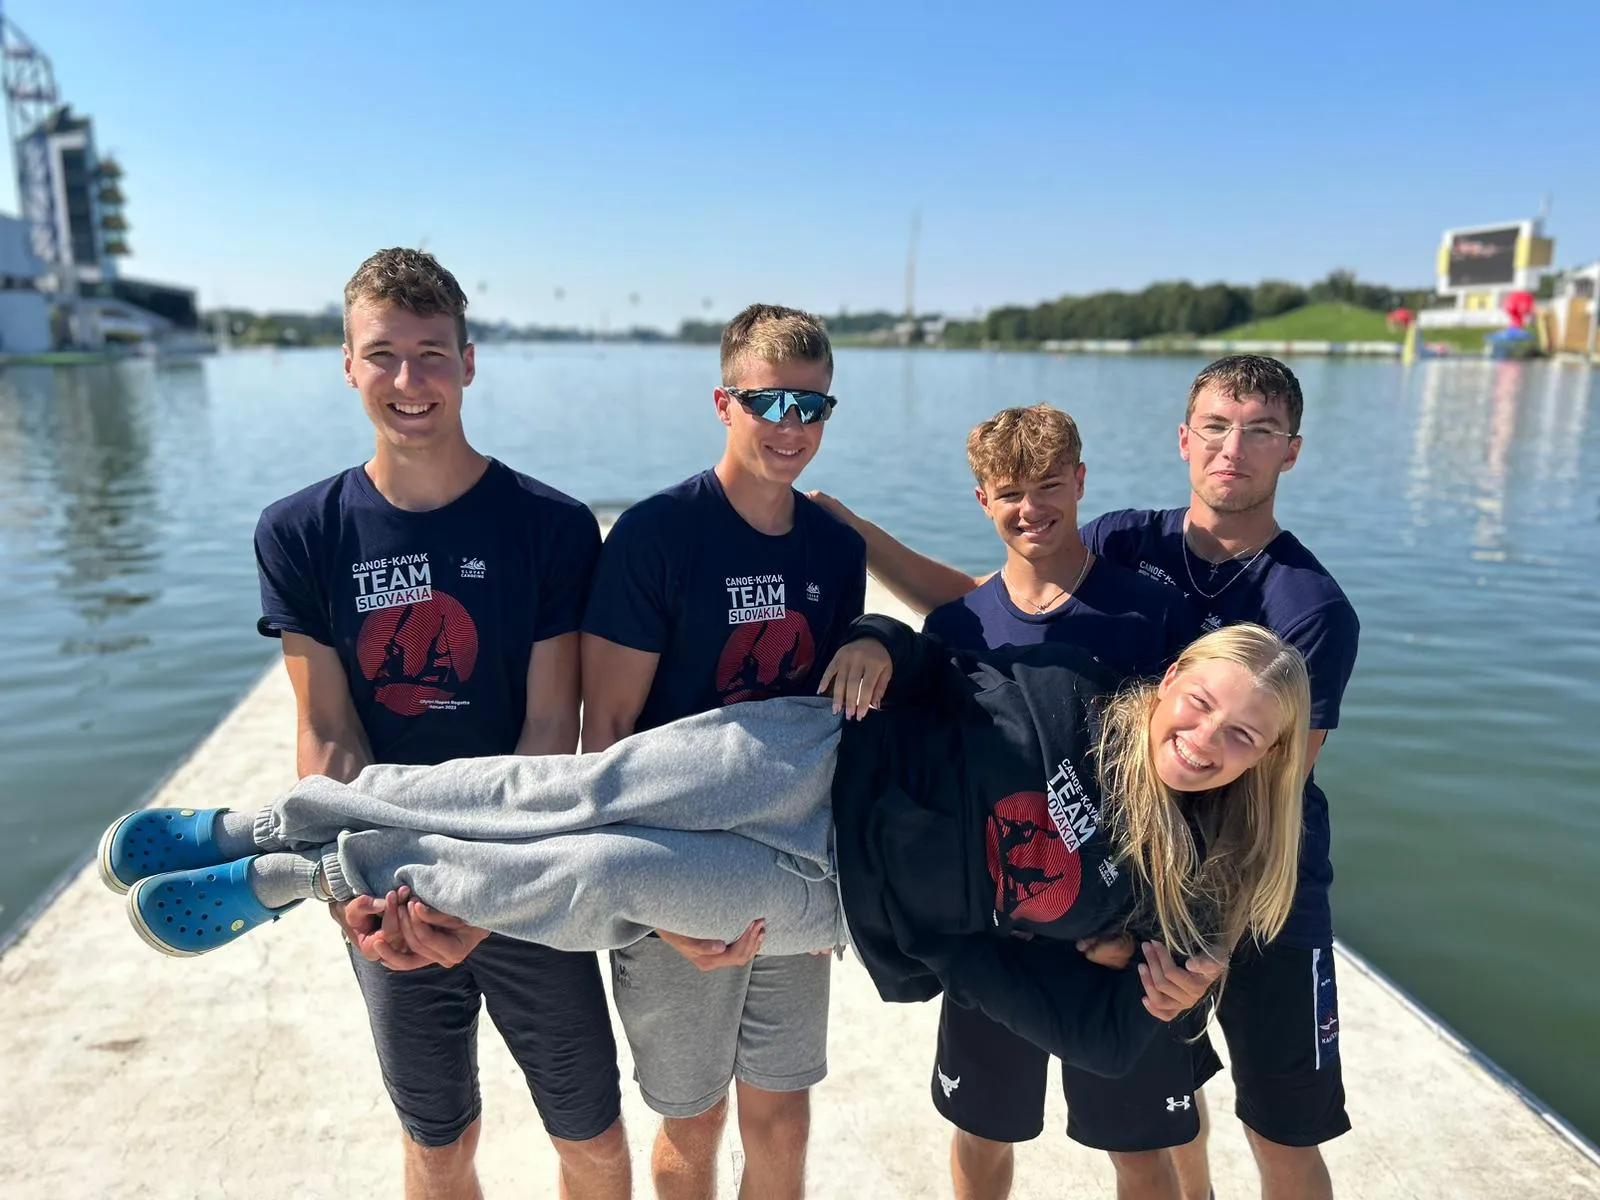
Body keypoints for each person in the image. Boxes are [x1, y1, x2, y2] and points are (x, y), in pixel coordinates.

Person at [102, 619, 1308, 1104]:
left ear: (1267, 761)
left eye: (1238, 736)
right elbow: (930, 649)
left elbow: (1089, 1033)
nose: (1203, 738)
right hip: (813, 763)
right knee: (570, 791)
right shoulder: (1073, 693)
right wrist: (874, 643)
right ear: (1174, 679)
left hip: (826, 900)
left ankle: (308, 877)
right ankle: (273, 817)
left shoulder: (1163, 898)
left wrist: (1165, 1007)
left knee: (604, 876)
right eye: (1199, 704)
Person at [152, 248, 628, 1199]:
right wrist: (350, 897)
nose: (409, 381)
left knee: (593, 1138)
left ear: (468, 361)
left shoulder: (551, 524)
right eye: (383, 355)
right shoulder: (301, 530)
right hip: (380, 883)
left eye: (431, 354)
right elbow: (327, 736)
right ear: (347, 364)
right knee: (436, 1142)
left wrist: (483, 894)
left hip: (526, 870)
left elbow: (547, 733)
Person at [823, 357, 1359, 1200]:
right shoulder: (1126, 539)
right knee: (1023, 1124)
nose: (1234, 449)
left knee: (1274, 1125)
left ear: (1291, 451)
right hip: (1047, 892)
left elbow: (1256, 794)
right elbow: (1008, 609)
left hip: (1243, 886)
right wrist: (870, 599)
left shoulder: (1305, 607)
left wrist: (1194, 940)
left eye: (1259, 432)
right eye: (1217, 427)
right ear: (1184, 439)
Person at [813, 402, 1211, 1200]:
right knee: (983, 1132)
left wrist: (1174, 934)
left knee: (1139, 1149)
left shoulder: (1153, 614)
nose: (1033, 509)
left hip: (1118, 933)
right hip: (1000, 932)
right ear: (983, 501)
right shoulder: (962, 623)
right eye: (1010, 492)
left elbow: (1201, 785)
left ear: (1082, 481)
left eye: (1050, 486)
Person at [578, 303, 867, 1200]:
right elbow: (609, 737)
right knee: (692, 1117)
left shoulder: (836, 546)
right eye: (769, 403)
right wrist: (655, 906)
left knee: (783, 1112)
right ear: (723, 402)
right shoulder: (656, 536)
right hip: (678, 864)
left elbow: (827, 731)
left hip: (788, 867)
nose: (791, 427)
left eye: (812, 407)